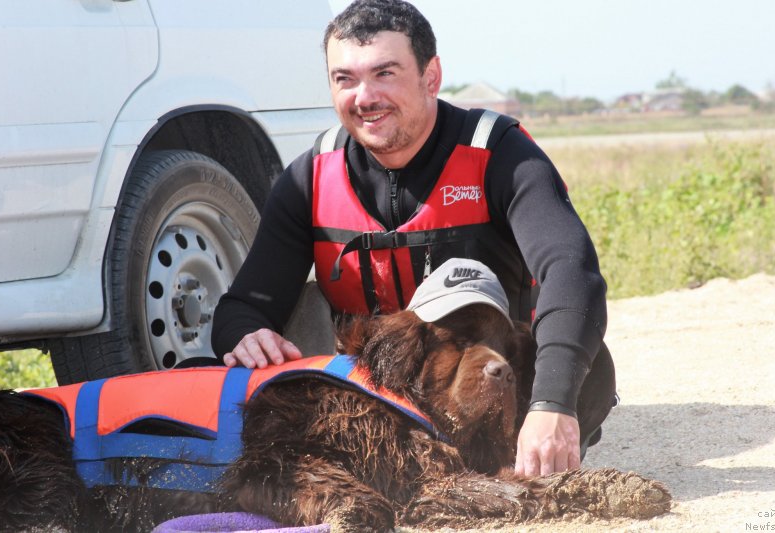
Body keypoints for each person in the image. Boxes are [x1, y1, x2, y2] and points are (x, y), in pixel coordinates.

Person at [211, 0, 615, 478]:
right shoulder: (311, 176)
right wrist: (247, 336)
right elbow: (242, 307)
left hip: (493, 388)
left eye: (385, 73)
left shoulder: (500, 153)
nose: (365, 97)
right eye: (345, 79)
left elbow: (573, 272)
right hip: (380, 400)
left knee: (591, 370)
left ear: (431, 75)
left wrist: (552, 403)